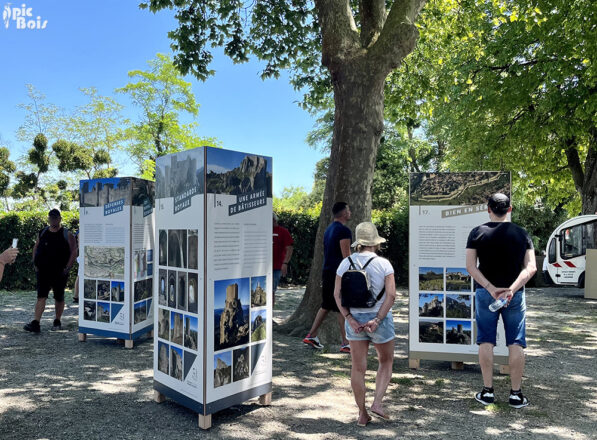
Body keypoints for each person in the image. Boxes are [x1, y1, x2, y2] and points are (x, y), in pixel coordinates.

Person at [466, 193, 537, 408]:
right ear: (509, 209)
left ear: (488, 209)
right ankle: (516, 394)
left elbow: (470, 266)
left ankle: (487, 391)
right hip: (513, 296)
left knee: (486, 340)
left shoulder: (477, 233)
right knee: (516, 342)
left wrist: (490, 288)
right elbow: (531, 267)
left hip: (486, 293)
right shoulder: (522, 234)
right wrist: (512, 290)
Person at [334, 222, 396, 427]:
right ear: (375, 242)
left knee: (358, 368)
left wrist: (349, 318)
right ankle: (377, 403)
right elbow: (392, 295)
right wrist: (377, 319)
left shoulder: (345, 263)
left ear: (358, 243)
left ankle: (362, 414)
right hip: (379, 319)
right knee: (385, 361)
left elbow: (337, 294)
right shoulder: (384, 264)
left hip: (355, 320)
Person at [303, 202, 352, 352]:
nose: (350, 212)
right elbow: (346, 256)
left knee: (327, 306)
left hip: (327, 271)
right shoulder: (344, 231)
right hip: (339, 274)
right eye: (349, 210)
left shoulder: (328, 229)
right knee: (342, 306)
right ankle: (345, 343)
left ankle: (312, 335)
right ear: (344, 214)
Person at [24, 209, 77, 333]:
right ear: (49, 219)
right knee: (41, 296)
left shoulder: (66, 234)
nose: (53, 220)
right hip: (43, 271)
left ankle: (57, 320)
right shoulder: (42, 232)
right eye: (51, 218)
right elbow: (36, 246)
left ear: (60, 219)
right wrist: (35, 263)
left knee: (59, 297)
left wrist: (68, 267)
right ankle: (36, 323)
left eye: (56, 218)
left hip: (60, 272)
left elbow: (74, 250)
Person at [272, 213, 293, 306]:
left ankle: (270, 316)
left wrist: (285, 263)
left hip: (276, 267)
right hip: (263, 267)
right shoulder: (263, 230)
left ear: (274, 220)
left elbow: (290, 248)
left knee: (271, 291)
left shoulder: (283, 231)